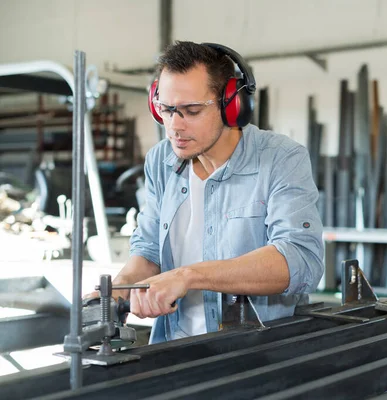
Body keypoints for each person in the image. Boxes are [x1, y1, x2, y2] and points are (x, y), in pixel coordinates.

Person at [106, 41, 324, 343]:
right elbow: (149, 251)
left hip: (255, 356)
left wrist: (188, 276)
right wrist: (118, 290)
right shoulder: (161, 161)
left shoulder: (280, 158)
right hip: (172, 348)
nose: (174, 127)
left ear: (231, 105)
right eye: (166, 110)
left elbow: (301, 261)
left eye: (191, 111)